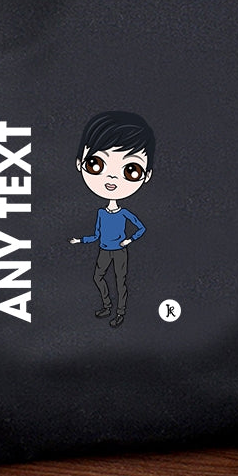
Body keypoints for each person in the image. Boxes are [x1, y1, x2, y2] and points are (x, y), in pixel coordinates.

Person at [69, 111, 155, 328]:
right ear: (79, 163)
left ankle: (120, 313)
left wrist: (129, 240)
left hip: (119, 252)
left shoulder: (125, 214)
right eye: (96, 163)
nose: (112, 177)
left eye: (131, 170)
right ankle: (107, 306)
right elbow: (97, 235)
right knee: (98, 278)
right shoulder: (101, 213)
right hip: (104, 250)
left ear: (147, 176)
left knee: (120, 282)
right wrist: (81, 240)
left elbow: (141, 228)